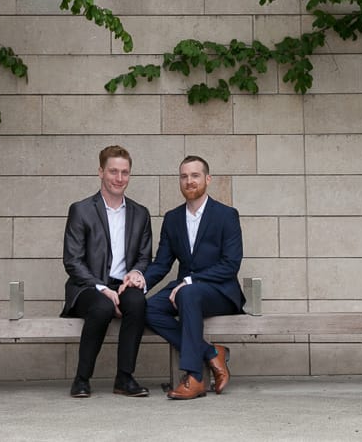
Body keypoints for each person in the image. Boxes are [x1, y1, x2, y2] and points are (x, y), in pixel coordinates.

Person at [133, 155, 245, 400]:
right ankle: (211, 353)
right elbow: (162, 263)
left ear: (208, 179)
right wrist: (141, 280)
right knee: (147, 307)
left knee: (189, 291)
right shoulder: (173, 218)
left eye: (195, 175)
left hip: (220, 291)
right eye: (184, 176)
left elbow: (231, 264)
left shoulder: (226, 215)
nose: (189, 181)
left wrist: (189, 281)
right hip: (186, 292)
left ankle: (195, 378)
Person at [61, 145, 153, 398]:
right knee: (101, 307)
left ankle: (124, 378)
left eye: (125, 172)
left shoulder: (140, 213)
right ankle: (82, 378)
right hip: (88, 287)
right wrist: (101, 288)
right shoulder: (81, 210)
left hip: (122, 285)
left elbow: (145, 256)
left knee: (137, 303)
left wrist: (136, 273)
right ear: (101, 172)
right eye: (113, 171)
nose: (119, 178)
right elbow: (72, 260)